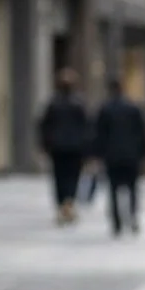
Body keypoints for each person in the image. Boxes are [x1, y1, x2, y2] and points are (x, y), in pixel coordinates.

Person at [94, 77, 145, 235]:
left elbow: (99, 134)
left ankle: (116, 222)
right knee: (132, 188)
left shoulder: (105, 109)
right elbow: (144, 132)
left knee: (113, 189)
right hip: (132, 155)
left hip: (112, 156)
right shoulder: (134, 108)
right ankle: (132, 216)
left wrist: (98, 154)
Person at [38, 68, 92, 225]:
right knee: (72, 176)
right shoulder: (79, 103)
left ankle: (63, 204)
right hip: (74, 148)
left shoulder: (53, 103)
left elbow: (44, 126)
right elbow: (87, 128)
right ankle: (68, 203)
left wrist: (45, 144)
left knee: (59, 177)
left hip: (58, 147)